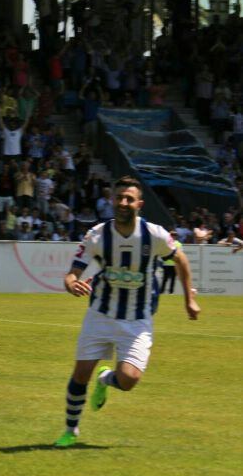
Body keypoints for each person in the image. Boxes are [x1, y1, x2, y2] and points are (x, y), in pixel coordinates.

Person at [54, 176, 200, 448]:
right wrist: (72, 283)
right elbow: (72, 274)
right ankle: (70, 430)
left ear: (139, 204)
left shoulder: (154, 235)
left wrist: (188, 298)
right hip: (100, 314)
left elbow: (180, 258)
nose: (123, 203)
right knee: (80, 373)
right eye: (119, 198)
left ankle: (106, 379)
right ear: (112, 201)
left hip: (137, 319)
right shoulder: (96, 235)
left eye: (129, 199)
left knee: (129, 379)